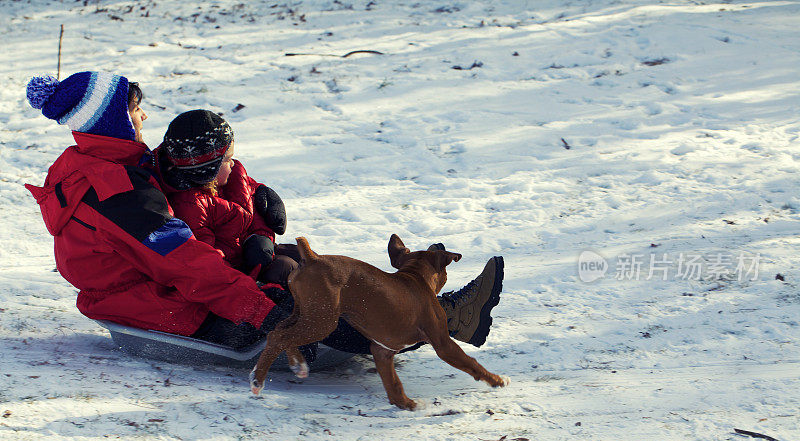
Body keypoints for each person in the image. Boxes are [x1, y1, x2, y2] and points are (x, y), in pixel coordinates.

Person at [25, 71, 504, 361]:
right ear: (111, 120)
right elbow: (185, 263)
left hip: (164, 280)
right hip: (150, 301)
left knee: (311, 266)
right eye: (135, 110)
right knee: (300, 304)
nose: (144, 119)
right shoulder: (116, 192)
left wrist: (252, 193)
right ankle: (437, 324)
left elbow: (195, 174)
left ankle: (423, 307)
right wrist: (262, 307)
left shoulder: (108, 160)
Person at [154, 109, 300, 287]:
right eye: (227, 159)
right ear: (208, 168)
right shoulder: (190, 206)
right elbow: (209, 262)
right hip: (237, 273)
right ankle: (314, 311)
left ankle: (338, 300)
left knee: (306, 257)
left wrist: (260, 237)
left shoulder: (231, 176)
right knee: (288, 270)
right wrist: (252, 280)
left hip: (253, 252)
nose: (233, 163)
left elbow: (251, 203)